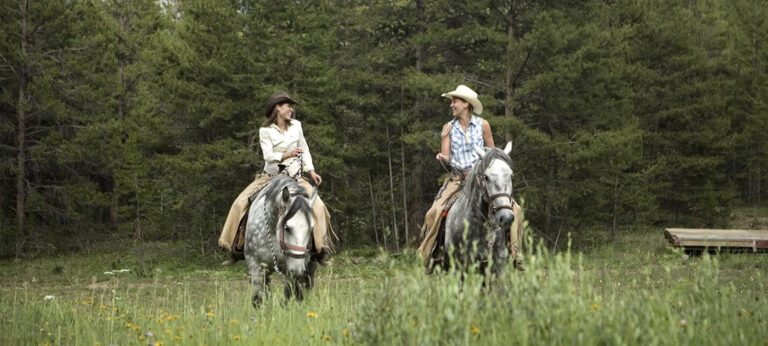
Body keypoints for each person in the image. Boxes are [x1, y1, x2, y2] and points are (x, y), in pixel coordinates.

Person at [417, 85, 524, 273]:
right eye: (452, 102)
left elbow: (493, 154)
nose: (451, 105)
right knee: (434, 211)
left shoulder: (483, 125)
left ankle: (515, 253)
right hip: (458, 179)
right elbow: (446, 157)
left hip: (483, 179)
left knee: (514, 208)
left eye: (455, 101)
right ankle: (432, 254)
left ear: (466, 104)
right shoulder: (448, 128)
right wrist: (442, 157)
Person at [218, 91, 334, 265]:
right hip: (270, 177)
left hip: (295, 177)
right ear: (277, 108)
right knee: (239, 204)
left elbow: (305, 148)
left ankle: (320, 249)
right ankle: (236, 247)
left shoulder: (297, 126)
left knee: (319, 207)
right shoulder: (265, 130)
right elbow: (268, 156)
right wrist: (289, 154)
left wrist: (311, 171)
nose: (291, 110)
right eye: (288, 106)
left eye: (291, 106)